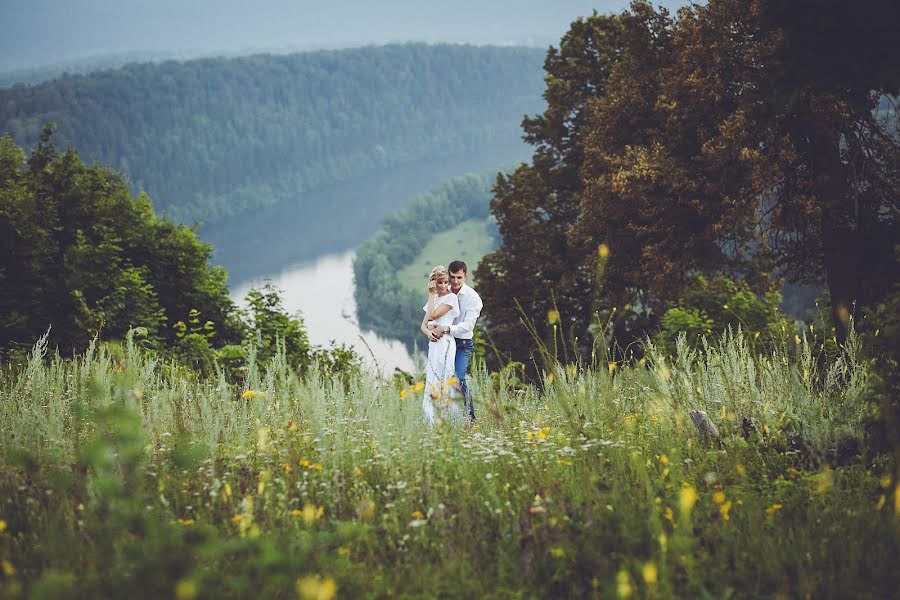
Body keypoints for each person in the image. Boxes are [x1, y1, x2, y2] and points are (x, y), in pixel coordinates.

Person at [425, 260, 483, 423]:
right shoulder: (443, 289)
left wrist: (446, 328)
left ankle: (470, 418)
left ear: (466, 276)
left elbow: (468, 326)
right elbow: (429, 316)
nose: (455, 281)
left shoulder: (473, 298)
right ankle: (442, 418)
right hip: (442, 345)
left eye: (459, 277)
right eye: (452, 277)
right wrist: (429, 331)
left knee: (458, 378)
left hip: (462, 344)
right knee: (438, 378)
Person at [419, 265, 460, 426]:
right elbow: (424, 324)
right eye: (439, 283)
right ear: (433, 283)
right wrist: (428, 333)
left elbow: (434, 315)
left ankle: (448, 418)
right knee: (432, 377)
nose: (443, 286)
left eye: (445, 282)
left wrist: (430, 295)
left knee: (445, 376)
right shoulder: (433, 300)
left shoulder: (451, 298)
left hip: (446, 343)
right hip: (434, 345)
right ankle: (430, 420)